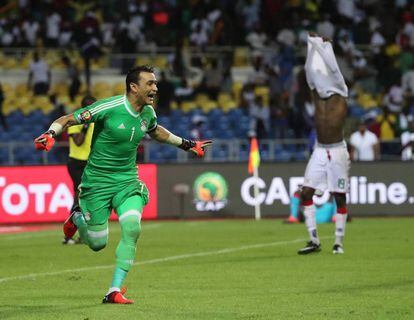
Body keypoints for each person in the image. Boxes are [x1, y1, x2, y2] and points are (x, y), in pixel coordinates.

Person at [34, 66, 212, 304]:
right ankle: (76, 217)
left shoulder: (148, 113)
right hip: (97, 182)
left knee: (132, 228)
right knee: (97, 243)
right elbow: (66, 119)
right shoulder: (108, 108)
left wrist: (187, 144)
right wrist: (50, 134)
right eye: (150, 83)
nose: (155, 88)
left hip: (127, 180)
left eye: (155, 83)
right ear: (133, 87)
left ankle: (114, 290)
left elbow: (155, 131)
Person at [297, 34, 350, 255]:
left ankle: (338, 241)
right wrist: (312, 47)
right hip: (320, 150)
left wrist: (325, 47)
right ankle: (314, 240)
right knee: (306, 193)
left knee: (339, 196)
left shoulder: (341, 94)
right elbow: (310, 73)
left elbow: (334, 70)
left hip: (337, 150)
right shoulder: (317, 98)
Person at [63, 95, 96, 245]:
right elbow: (78, 141)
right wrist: (86, 125)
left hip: (91, 164)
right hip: (76, 163)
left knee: (87, 199)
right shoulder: (76, 121)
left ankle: (82, 235)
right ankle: (69, 235)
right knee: (79, 198)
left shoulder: (97, 122)